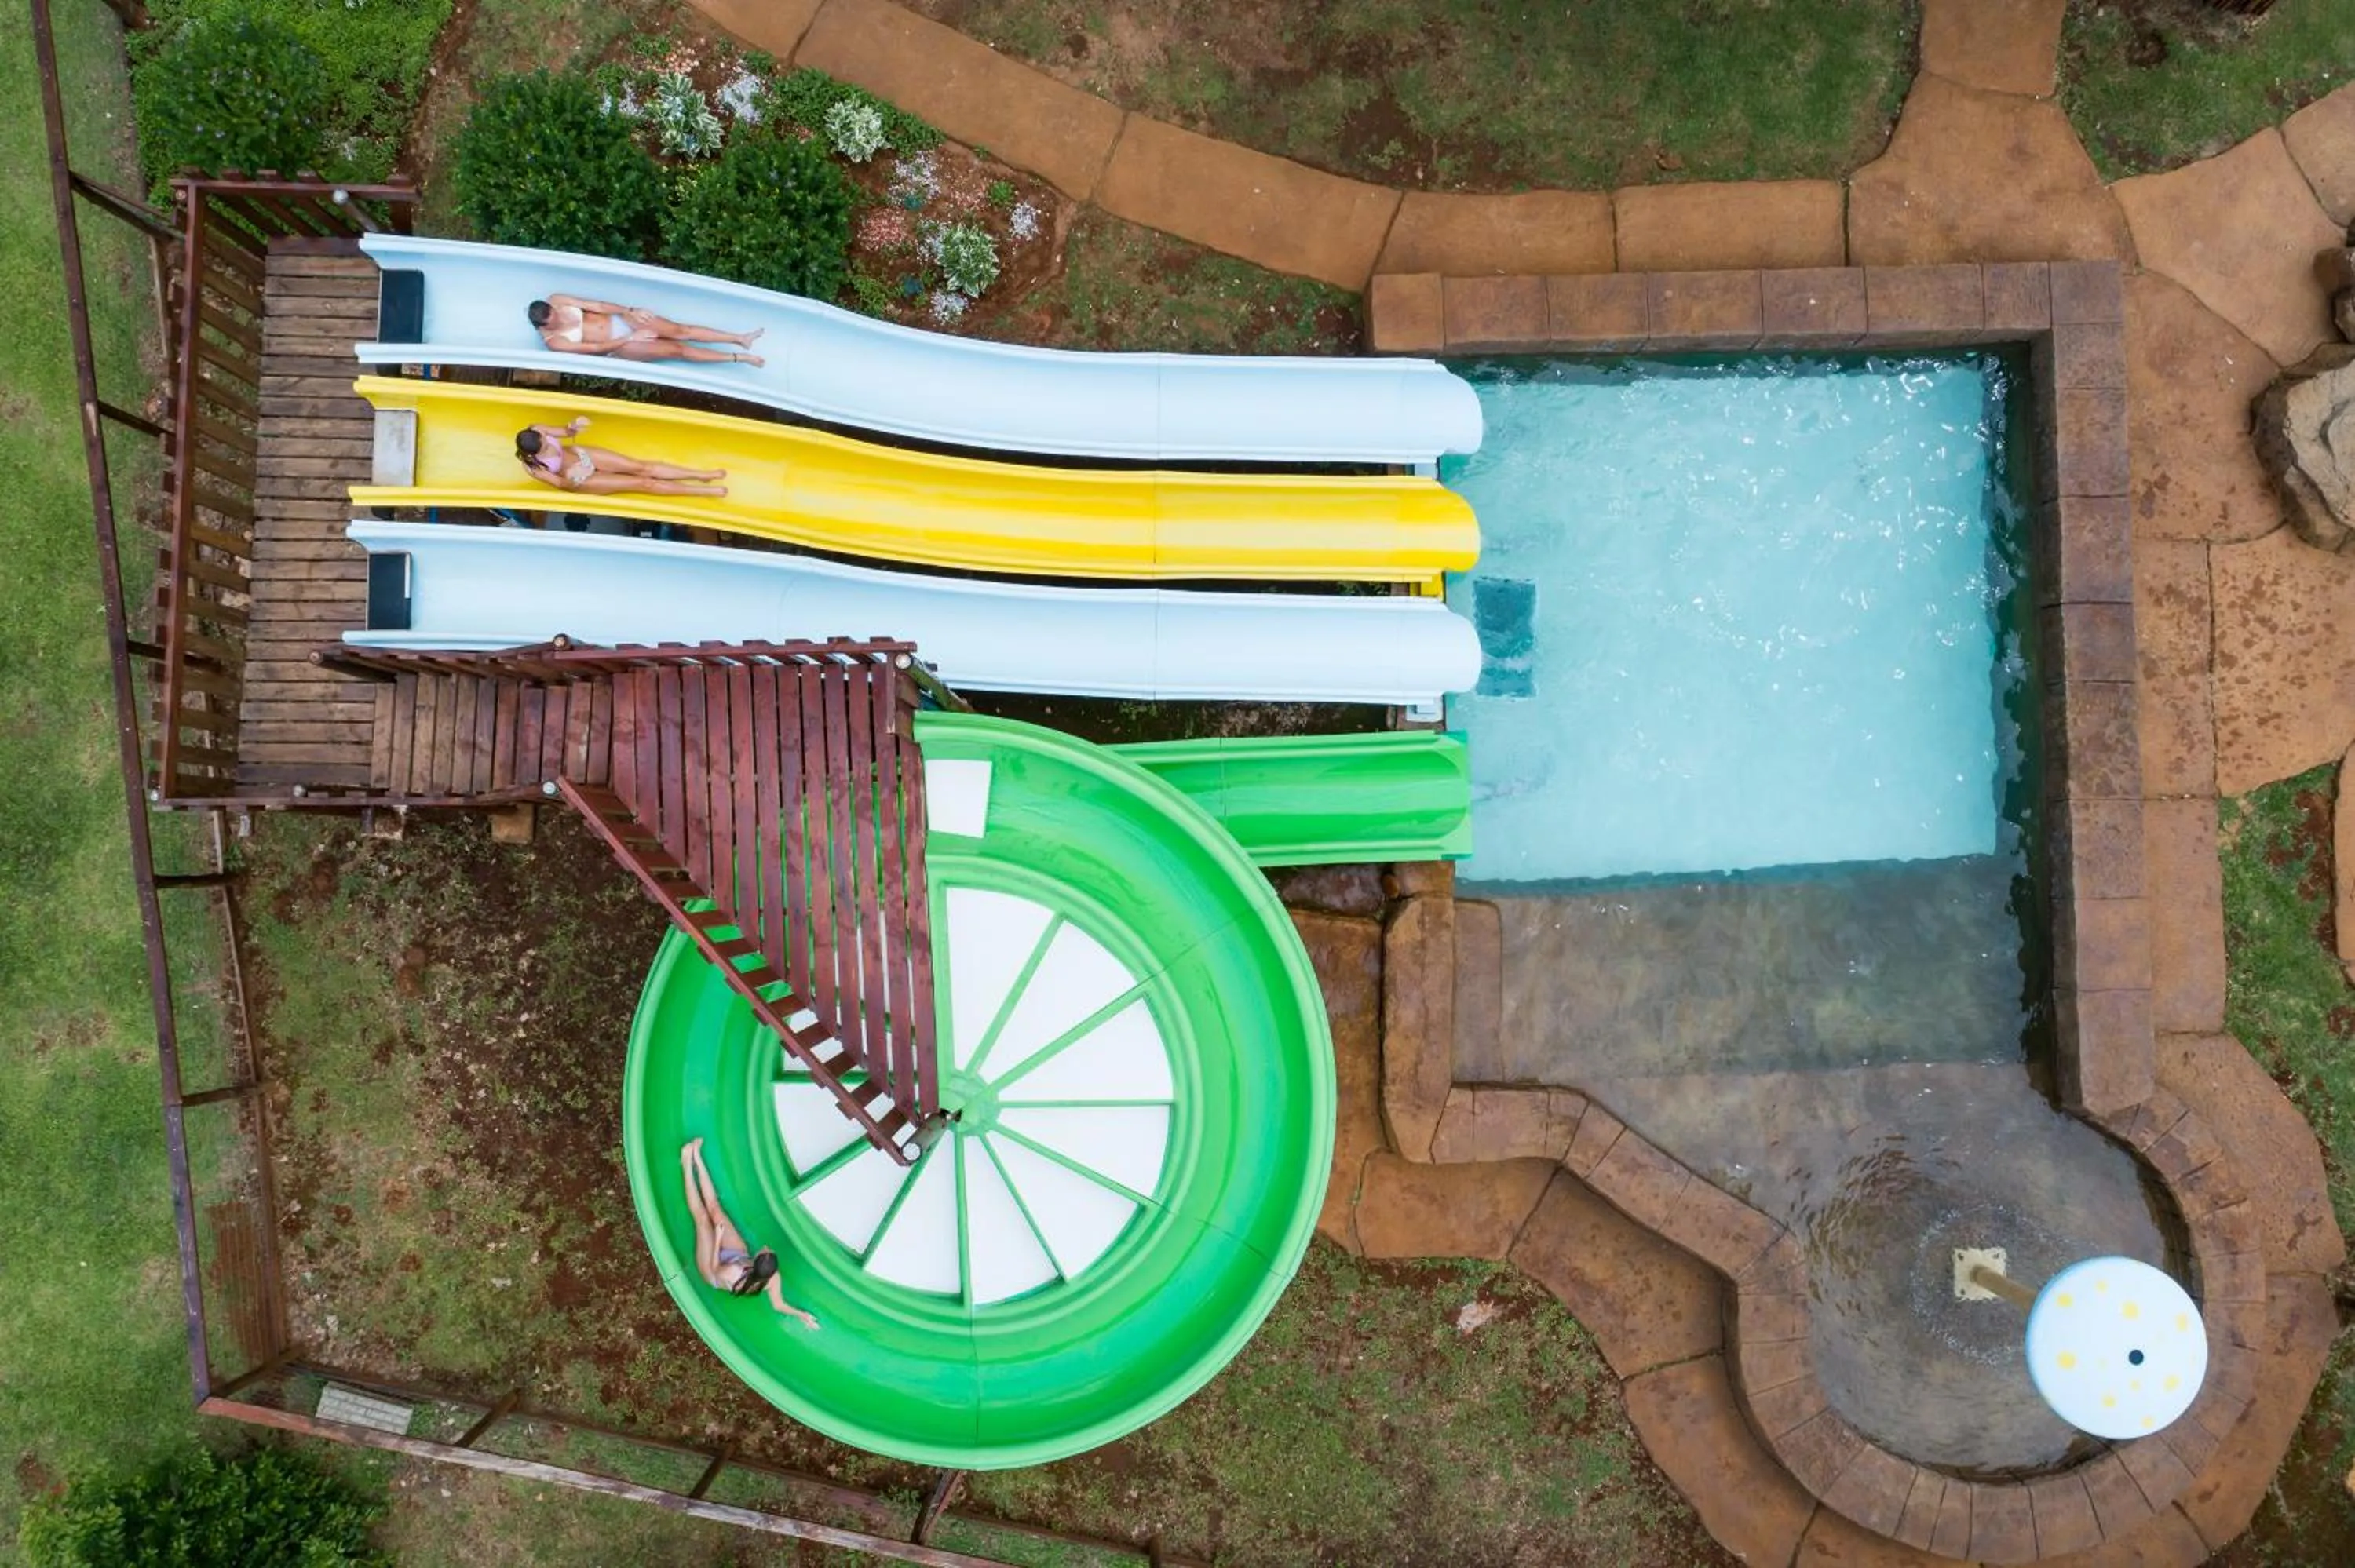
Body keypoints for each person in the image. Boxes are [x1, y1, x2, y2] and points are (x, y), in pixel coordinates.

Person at [681, 1138, 819, 1329]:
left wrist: (718, 1237)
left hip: (714, 1269)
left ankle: (686, 1164)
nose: (766, 1247)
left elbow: (715, 1267)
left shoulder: (734, 1273)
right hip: (737, 1256)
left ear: (756, 1262)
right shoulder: (773, 1276)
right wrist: (801, 1315)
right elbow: (779, 1304)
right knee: (715, 1209)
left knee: (703, 1220)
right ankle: (697, 1157)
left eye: (764, 1252)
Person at [513, 417, 728, 498]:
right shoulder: (534, 468)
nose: (546, 442)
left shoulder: (538, 429)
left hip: (582, 455)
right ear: (534, 454)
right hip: (580, 478)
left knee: (640, 467)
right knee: (643, 483)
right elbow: (562, 484)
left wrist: (573, 427)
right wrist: (575, 475)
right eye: (543, 448)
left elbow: (565, 433)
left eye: (544, 438)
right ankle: (703, 491)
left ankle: (701, 475)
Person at [528, 294, 765, 366]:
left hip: (623, 321)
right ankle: (739, 357)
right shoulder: (555, 342)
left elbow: (596, 306)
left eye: (556, 313)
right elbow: (596, 348)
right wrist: (630, 337)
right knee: (678, 350)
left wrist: (629, 310)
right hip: (620, 344)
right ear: (543, 326)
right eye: (553, 321)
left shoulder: (557, 300)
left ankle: (739, 338)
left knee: (680, 330)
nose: (558, 319)